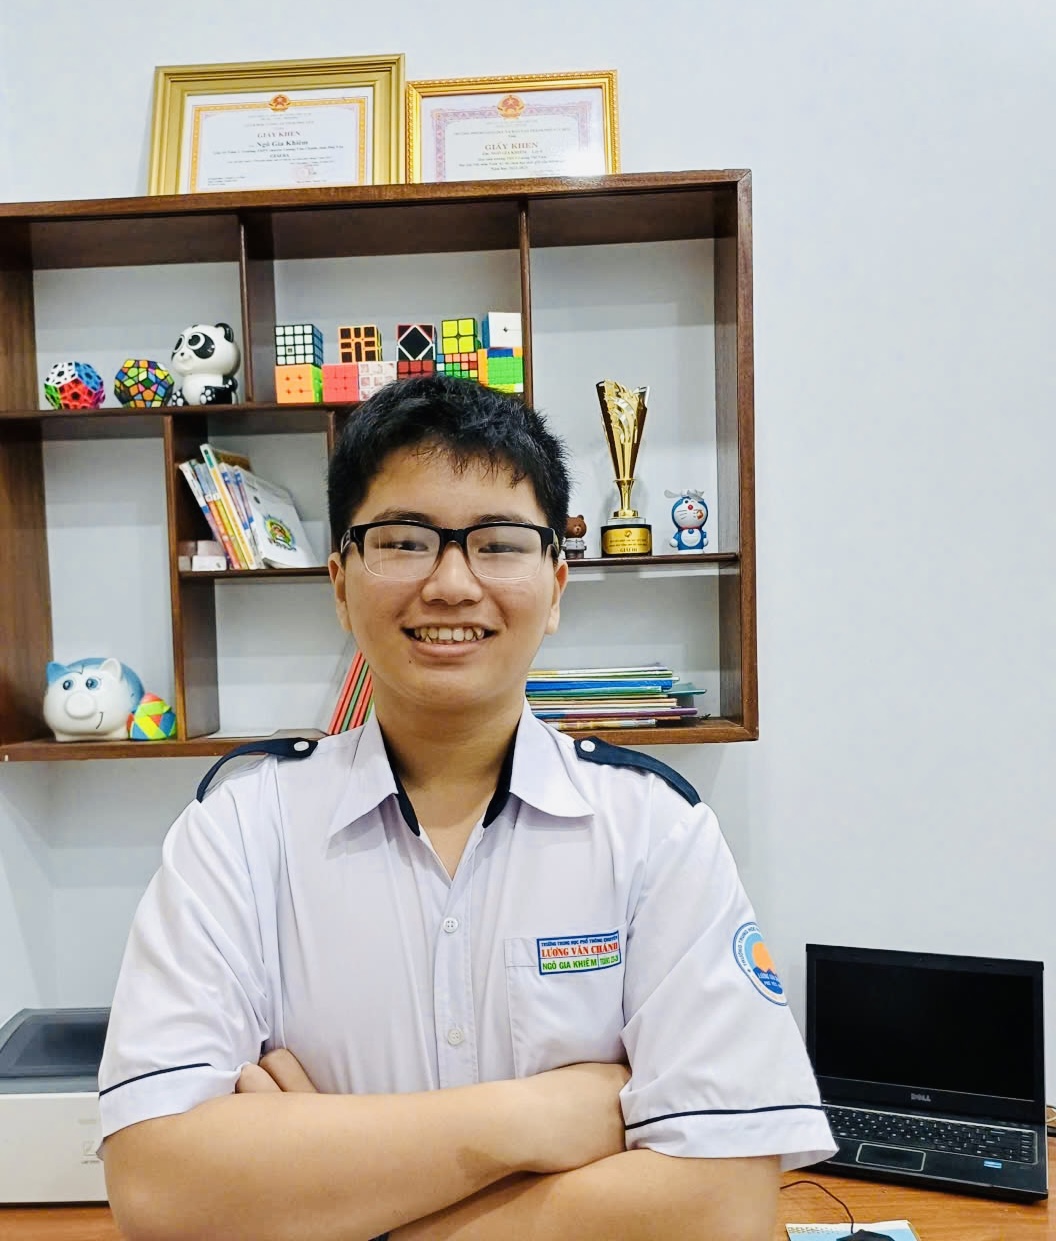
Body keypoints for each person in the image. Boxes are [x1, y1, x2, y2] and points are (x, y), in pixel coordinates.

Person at [99, 375, 835, 1240]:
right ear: (339, 583)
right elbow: (157, 1190)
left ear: (556, 585)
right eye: (405, 541)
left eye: (498, 543)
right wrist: (540, 1116)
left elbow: (724, 1208)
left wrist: (336, 1198)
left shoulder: (656, 832)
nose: (451, 583)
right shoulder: (237, 834)